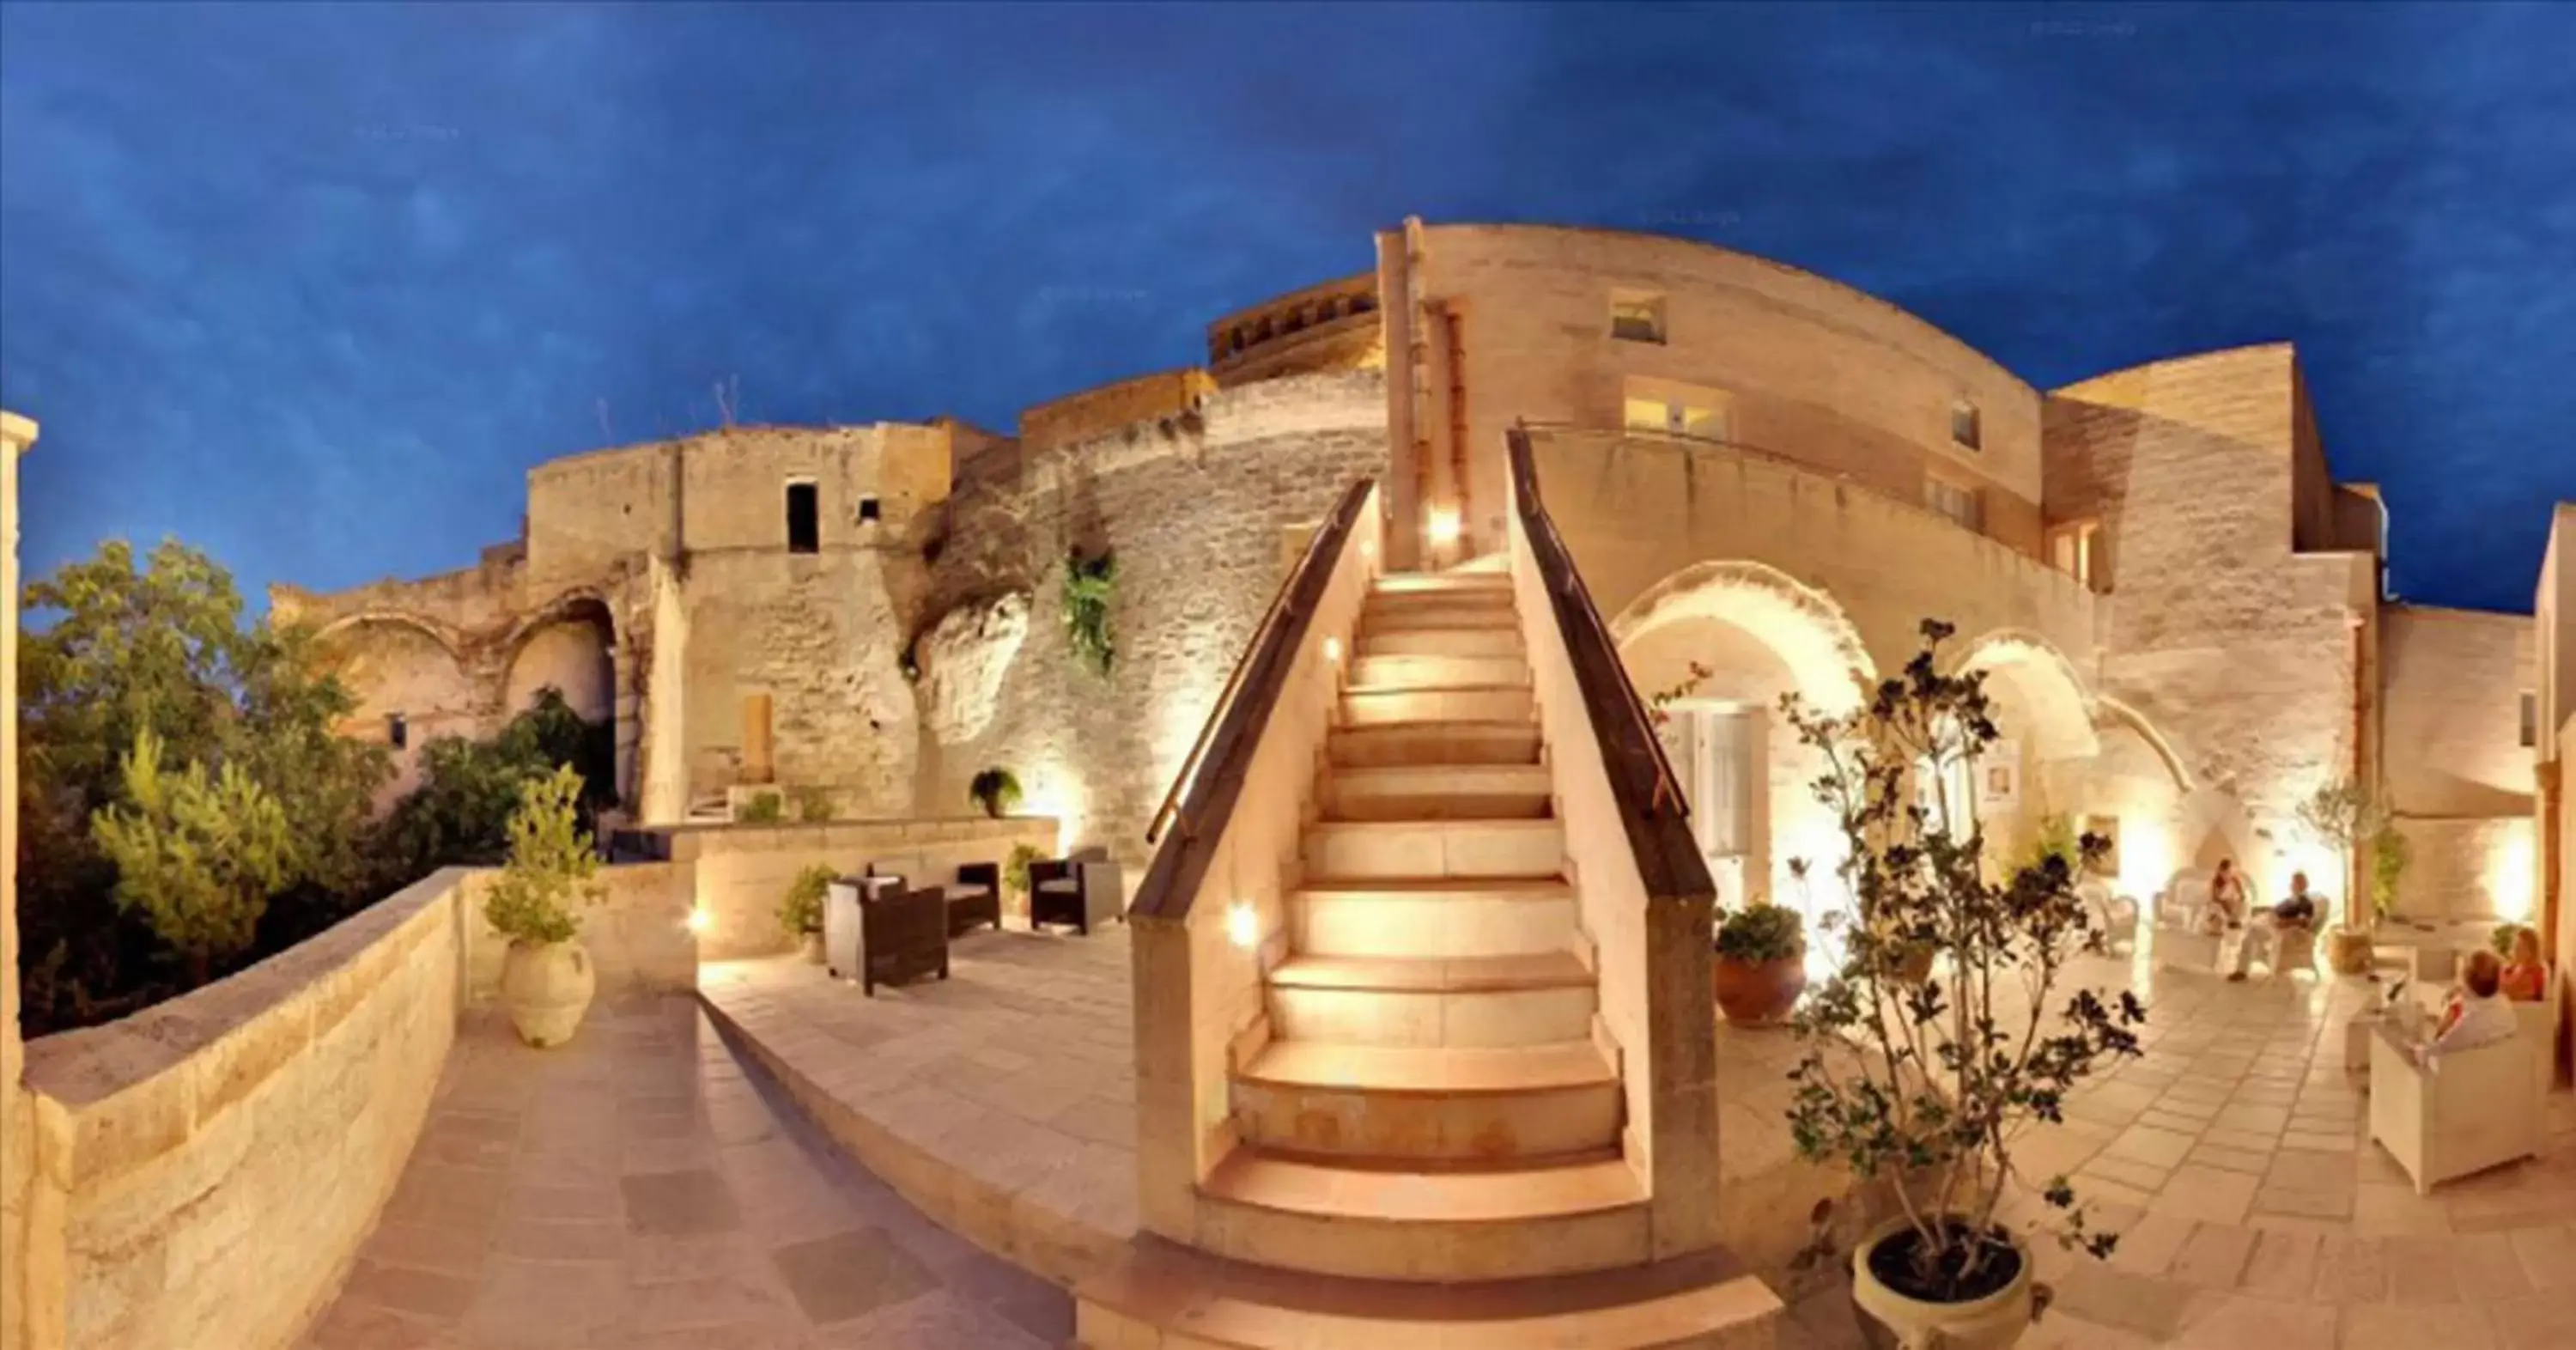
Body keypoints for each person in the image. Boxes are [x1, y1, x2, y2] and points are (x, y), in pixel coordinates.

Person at [2227, 870, 2320, 982]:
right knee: (2249, 933)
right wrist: (2265, 909)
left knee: (2251, 930)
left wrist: (2288, 922)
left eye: (2295, 882)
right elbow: (2277, 909)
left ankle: (2241, 927)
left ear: (2303, 884)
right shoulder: (2291, 898)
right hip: (2270, 919)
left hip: (2277, 925)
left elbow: (2306, 921)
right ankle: (2242, 969)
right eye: (2293, 882)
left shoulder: (2305, 902)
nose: (2292, 885)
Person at [2424, 950, 2518, 1058]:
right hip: (2501, 1070)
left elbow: (2436, 1050)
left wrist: (2447, 1015)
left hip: (2462, 1072)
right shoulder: (2507, 1009)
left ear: (2467, 982)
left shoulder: (2465, 1027)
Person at [2500, 926, 2549, 1002]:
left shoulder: (2533, 971)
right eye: (2515, 945)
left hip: (2523, 1010)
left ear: (2529, 951)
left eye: (2519, 946)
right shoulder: (2517, 966)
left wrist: (2503, 991)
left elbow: (2526, 997)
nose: (2515, 949)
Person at [2206, 859, 2249, 932]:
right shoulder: (2215, 881)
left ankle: (2235, 922)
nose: (2226, 874)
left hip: (2233, 902)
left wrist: (2240, 897)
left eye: (2228, 872)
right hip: (2220, 904)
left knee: (2242, 905)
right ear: (2220, 871)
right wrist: (2223, 903)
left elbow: (2242, 895)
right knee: (2216, 910)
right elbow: (2214, 897)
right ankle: (2224, 923)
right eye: (2224, 872)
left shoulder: (2234, 880)